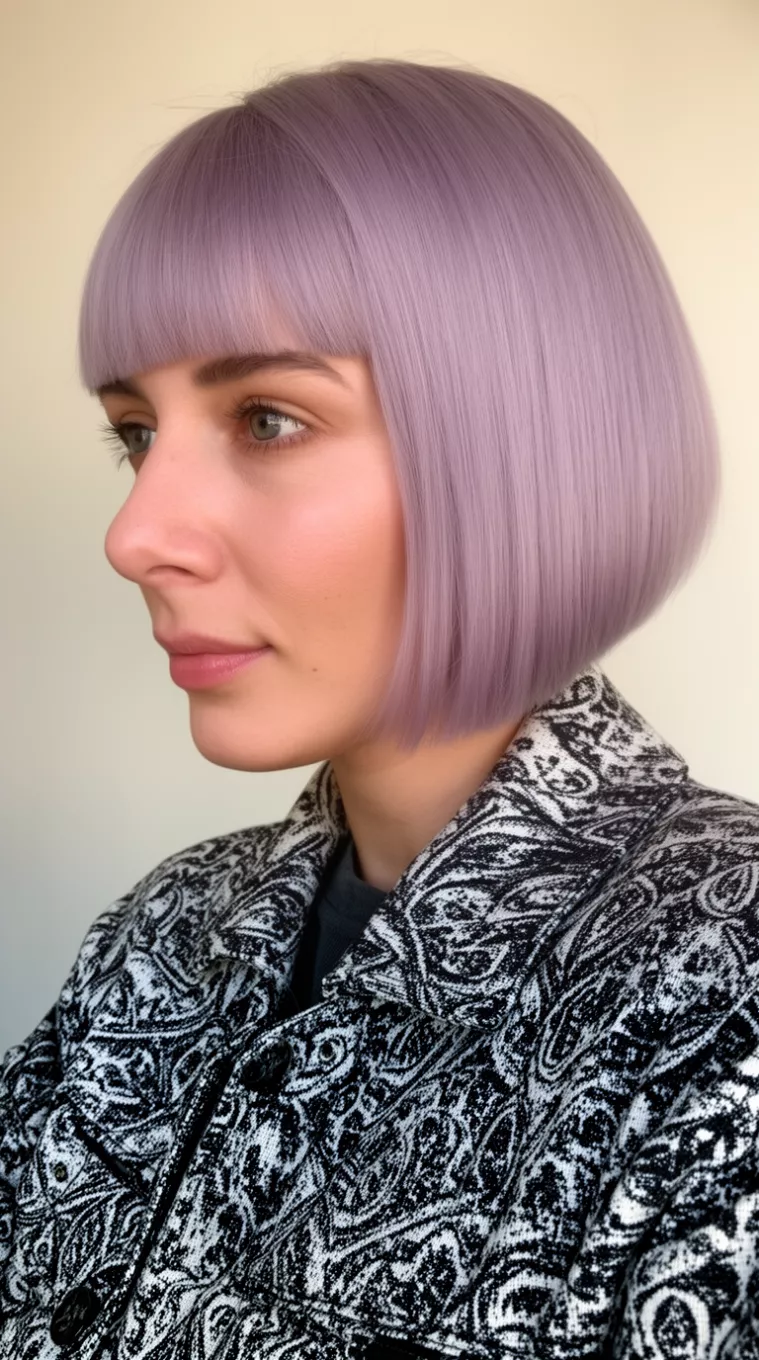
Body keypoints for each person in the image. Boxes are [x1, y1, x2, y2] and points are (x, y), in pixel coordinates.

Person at [1, 54, 757, 1360]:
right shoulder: (166, 935)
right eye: (136, 432)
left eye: (269, 418)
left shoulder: (716, 998)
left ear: (527, 442)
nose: (136, 534)